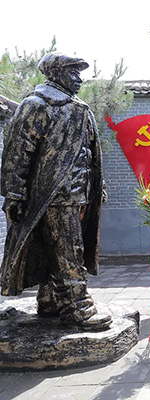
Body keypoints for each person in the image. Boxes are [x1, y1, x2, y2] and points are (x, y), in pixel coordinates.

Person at [0, 52, 111, 329]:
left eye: (79, 73)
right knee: (69, 251)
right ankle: (77, 308)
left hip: (80, 193)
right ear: (55, 73)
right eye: (73, 72)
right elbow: (17, 152)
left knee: (56, 249)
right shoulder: (36, 104)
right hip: (54, 195)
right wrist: (14, 194)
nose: (79, 79)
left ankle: (50, 300)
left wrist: (98, 187)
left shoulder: (80, 108)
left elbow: (91, 154)